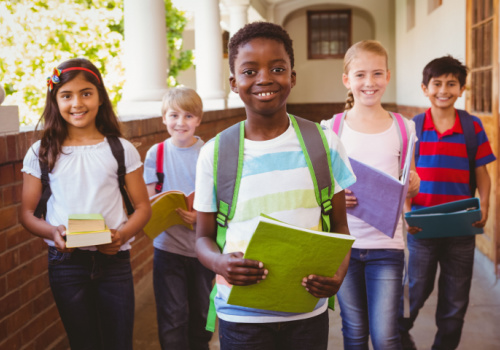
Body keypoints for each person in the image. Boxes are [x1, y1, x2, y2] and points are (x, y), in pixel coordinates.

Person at [193, 22, 356, 350]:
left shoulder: (324, 144)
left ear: (292, 77)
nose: (264, 78)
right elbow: (202, 238)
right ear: (233, 83)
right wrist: (219, 262)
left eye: (277, 68)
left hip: (306, 312)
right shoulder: (216, 152)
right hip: (241, 318)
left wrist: (338, 274)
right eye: (249, 71)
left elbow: (339, 225)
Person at [20, 58, 151, 350]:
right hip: (66, 263)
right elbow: (27, 213)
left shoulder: (120, 149)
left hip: (114, 260)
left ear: (100, 97)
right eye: (67, 95)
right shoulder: (41, 152)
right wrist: (52, 232)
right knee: (83, 342)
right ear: (55, 100)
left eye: (86, 93)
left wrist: (122, 236)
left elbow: (143, 208)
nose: (77, 103)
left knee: (118, 342)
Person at [321, 40, 420, 350]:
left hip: (387, 247)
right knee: (353, 333)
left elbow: (409, 180)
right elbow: (321, 188)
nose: (369, 82)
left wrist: (413, 184)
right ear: (347, 80)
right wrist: (336, 196)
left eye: (377, 74)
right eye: (360, 74)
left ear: (388, 77)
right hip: (345, 246)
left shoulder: (404, 127)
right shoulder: (332, 128)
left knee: (386, 336)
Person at [398, 56, 496, 350]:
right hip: (422, 230)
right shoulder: (414, 127)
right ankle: (400, 339)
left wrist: (486, 208)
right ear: (424, 88)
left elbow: (483, 174)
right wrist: (407, 213)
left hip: (461, 229)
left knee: (455, 303)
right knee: (413, 294)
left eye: (451, 83)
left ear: (462, 89)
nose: (444, 89)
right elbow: (405, 176)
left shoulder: (472, 126)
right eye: (437, 83)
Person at [143, 87, 214, 349]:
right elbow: (149, 202)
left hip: (202, 249)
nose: (180, 123)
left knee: (202, 316)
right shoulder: (156, 154)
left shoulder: (209, 153)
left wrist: (198, 217)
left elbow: (222, 203)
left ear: (198, 119)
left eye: (188, 116)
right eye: (173, 115)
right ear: (164, 118)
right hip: (168, 249)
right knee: (172, 318)